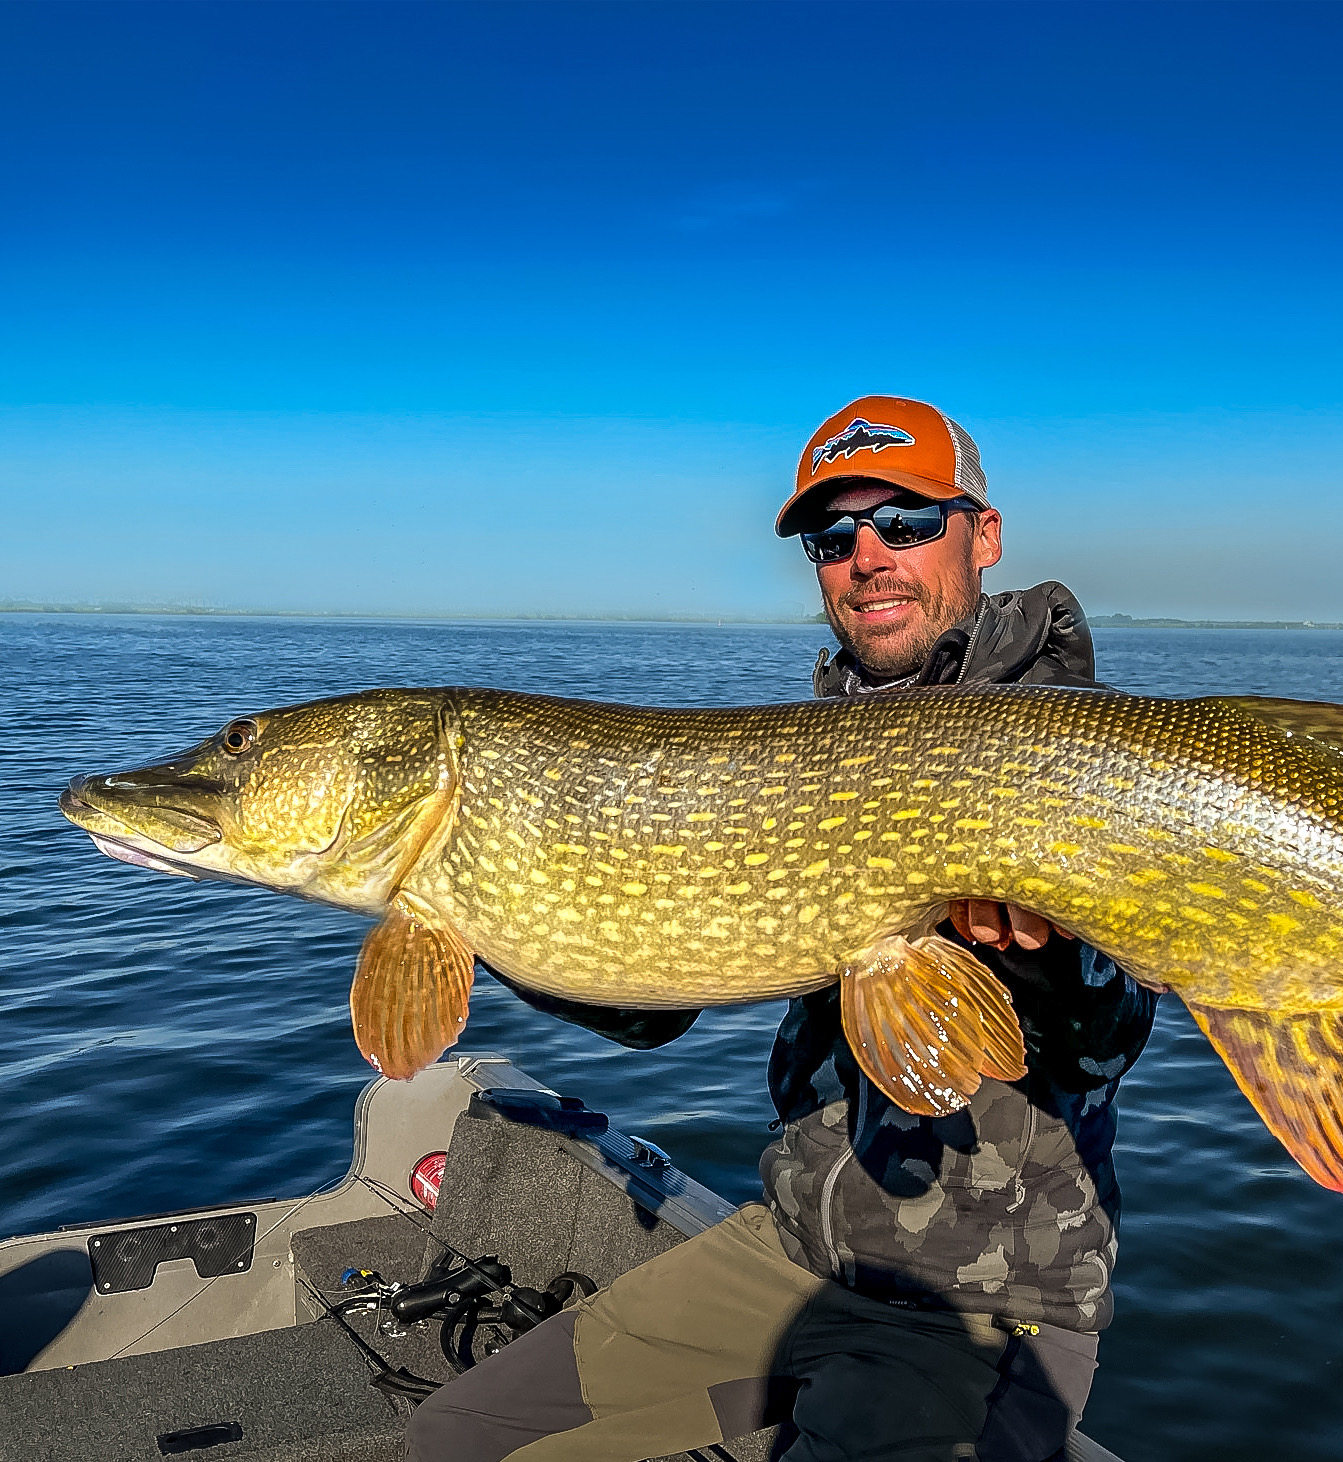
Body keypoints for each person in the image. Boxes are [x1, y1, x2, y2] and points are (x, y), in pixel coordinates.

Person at [407, 396, 1156, 1462]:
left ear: (982, 536)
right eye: (833, 535)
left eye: (904, 521)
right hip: (795, 1247)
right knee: (462, 1435)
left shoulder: (1078, 745)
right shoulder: (812, 745)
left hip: (985, 1303)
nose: (867, 556)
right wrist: (483, 902)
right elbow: (646, 1010)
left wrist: (1044, 956)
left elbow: (1110, 1031)